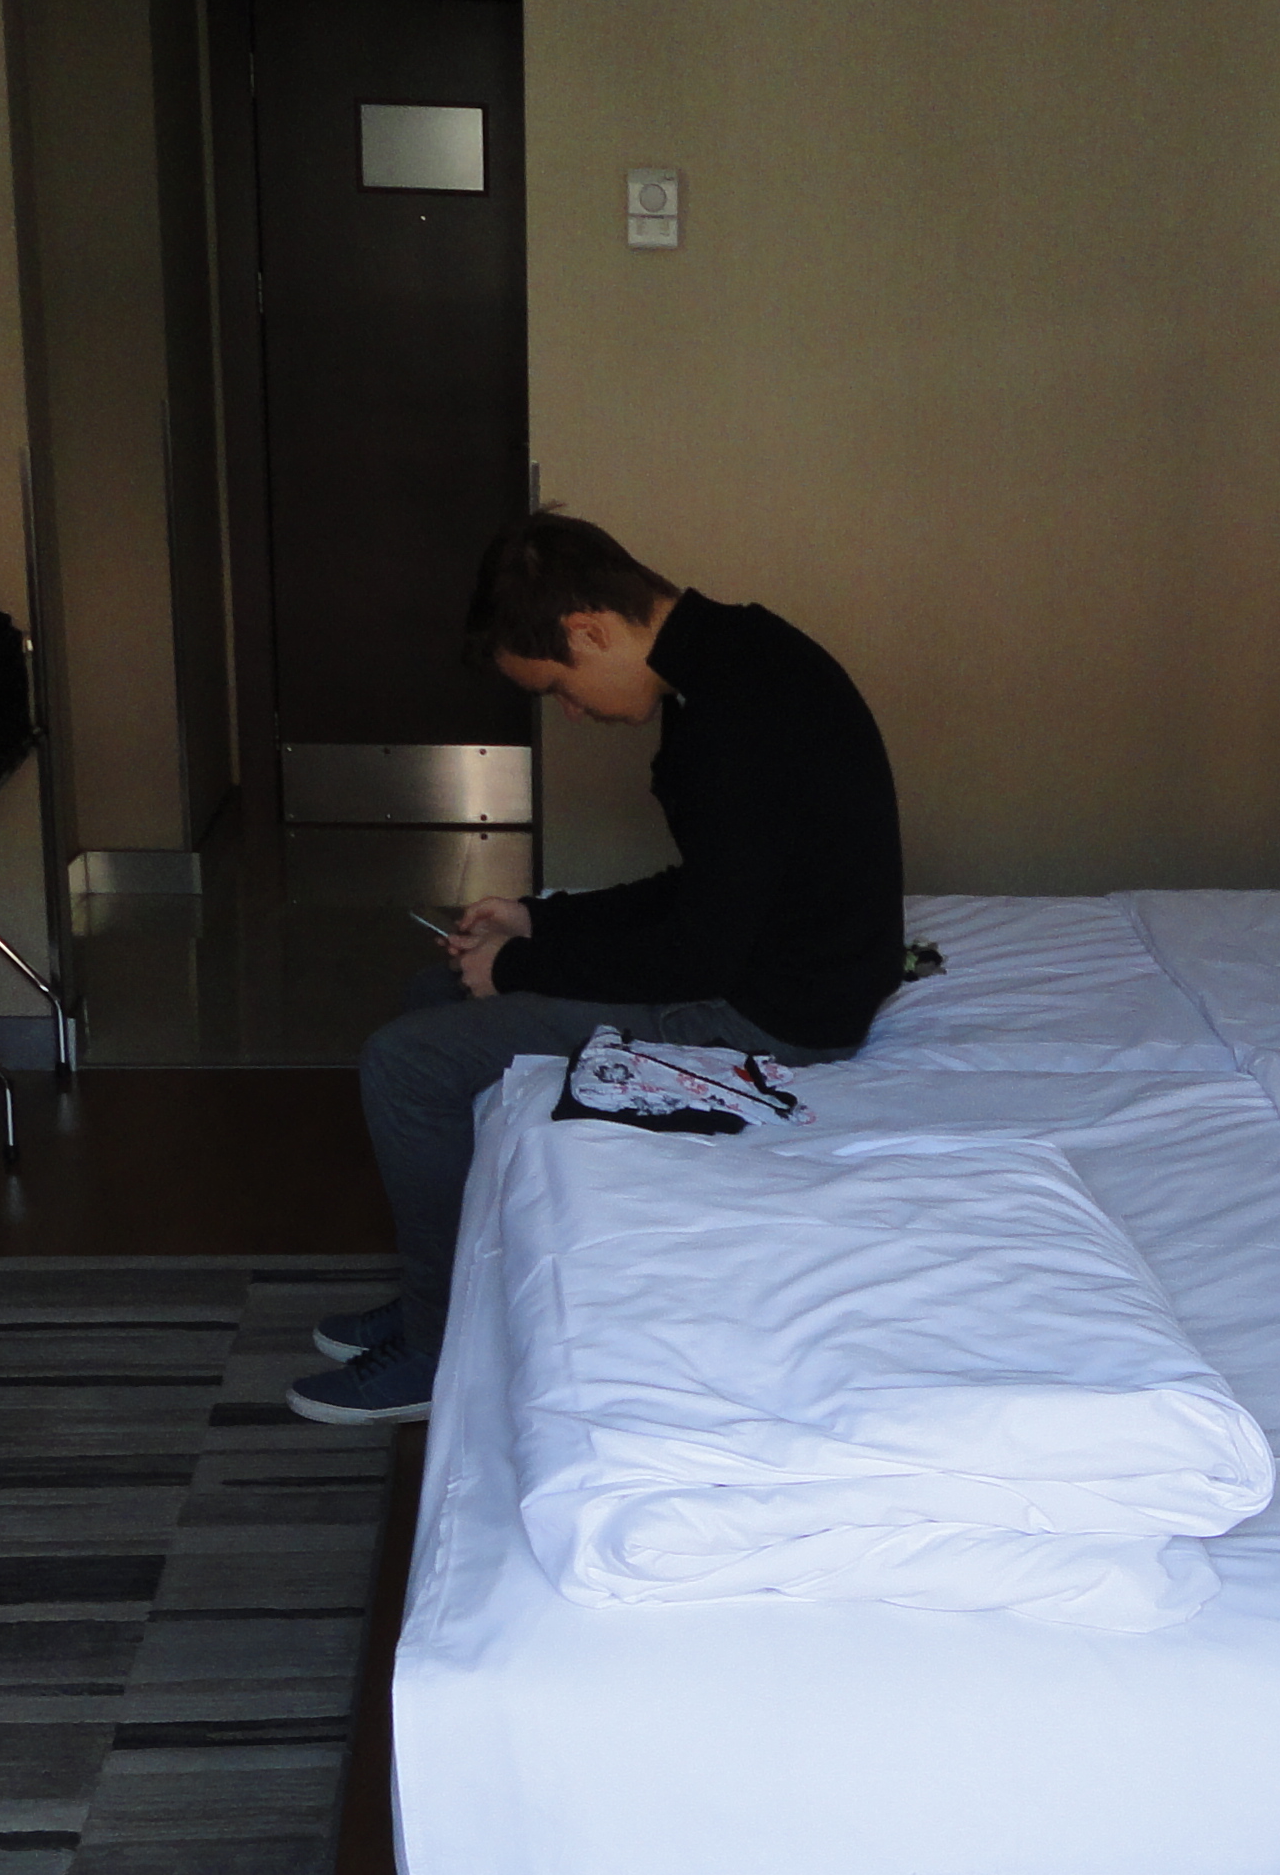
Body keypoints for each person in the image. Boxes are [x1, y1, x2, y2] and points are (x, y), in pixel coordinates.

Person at [292, 512, 907, 1423]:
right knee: (434, 992)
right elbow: (709, 891)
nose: (572, 712)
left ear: (588, 630)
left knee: (405, 1062)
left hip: (781, 1014)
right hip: (769, 967)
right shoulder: (734, 659)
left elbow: (698, 953)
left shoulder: (731, 717)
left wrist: (523, 964)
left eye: (559, 688)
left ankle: (436, 1347)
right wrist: (537, 918)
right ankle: (452, 1287)